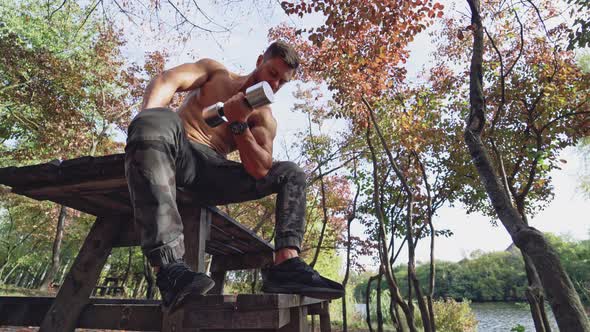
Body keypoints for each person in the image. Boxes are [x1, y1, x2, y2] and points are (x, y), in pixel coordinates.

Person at [124, 41, 343, 311]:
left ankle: (285, 264)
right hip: (177, 152)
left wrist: (239, 123)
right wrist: (147, 121)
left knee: (291, 173)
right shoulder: (215, 73)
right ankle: (169, 269)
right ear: (260, 59)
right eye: (273, 74)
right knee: (157, 118)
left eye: (281, 83)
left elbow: (260, 170)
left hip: (215, 172)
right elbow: (167, 79)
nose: (274, 85)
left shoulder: (263, 117)